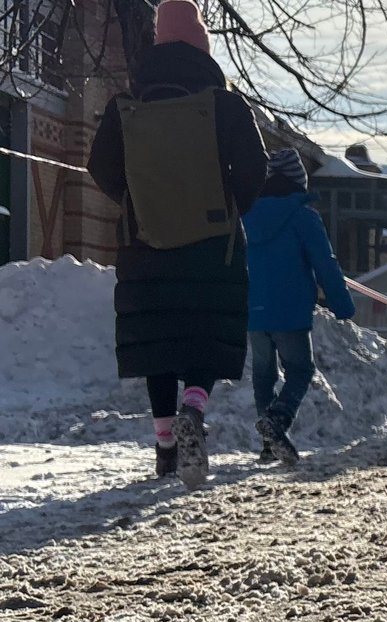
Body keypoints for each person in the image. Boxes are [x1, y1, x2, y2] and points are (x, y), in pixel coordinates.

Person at [87, 0, 267, 488]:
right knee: (204, 334)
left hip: (145, 245)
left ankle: (166, 446)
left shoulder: (124, 107)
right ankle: (194, 407)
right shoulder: (225, 106)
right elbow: (255, 169)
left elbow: (100, 167)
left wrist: (138, 203)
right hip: (212, 245)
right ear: (202, 49)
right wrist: (228, 207)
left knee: (158, 340)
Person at [243, 148, 355, 464]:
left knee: (263, 376)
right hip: (290, 310)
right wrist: (342, 305)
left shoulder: (246, 217)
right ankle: (278, 420)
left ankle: (269, 444)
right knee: (301, 369)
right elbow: (325, 263)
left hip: (254, 309)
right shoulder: (303, 217)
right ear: (298, 181)